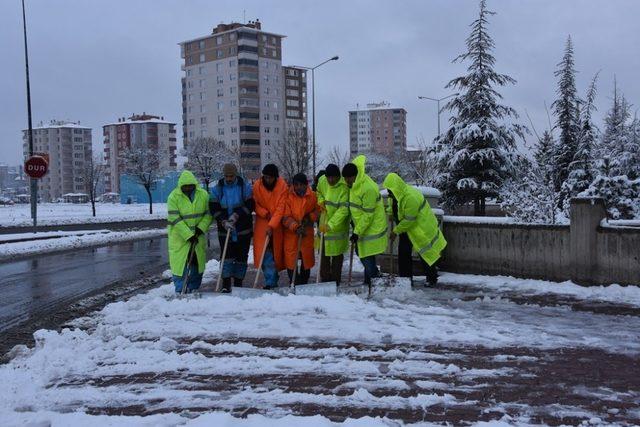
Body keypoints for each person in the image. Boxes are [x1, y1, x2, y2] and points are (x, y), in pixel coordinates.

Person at [383, 173, 447, 286]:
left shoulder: (410, 197)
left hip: (420, 228)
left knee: (425, 253)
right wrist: (390, 213)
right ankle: (405, 280)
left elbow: (409, 220)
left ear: (396, 188)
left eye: (390, 191)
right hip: (405, 229)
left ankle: (432, 278)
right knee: (403, 252)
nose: (388, 194)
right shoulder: (394, 196)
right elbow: (391, 206)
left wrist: (395, 231)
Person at [341, 155, 388, 285]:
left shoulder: (368, 188)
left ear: (353, 176)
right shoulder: (355, 185)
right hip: (363, 227)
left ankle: (374, 280)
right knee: (363, 253)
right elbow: (356, 207)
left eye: (347, 179)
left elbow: (368, 215)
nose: (345, 182)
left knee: (366, 255)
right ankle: (369, 280)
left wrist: (357, 232)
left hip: (372, 228)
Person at [209, 163, 254, 293]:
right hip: (225, 230)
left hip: (242, 229)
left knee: (241, 257)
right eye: (226, 176)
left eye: (231, 176)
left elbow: (250, 205)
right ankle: (226, 283)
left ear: (236, 175)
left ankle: (238, 284)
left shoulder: (244, 187)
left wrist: (237, 215)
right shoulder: (217, 189)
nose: (229, 178)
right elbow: (213, 208)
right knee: (226, 257)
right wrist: (223, 221)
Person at [167, 170, 212, 294]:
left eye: (190, 186)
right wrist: (188, 235)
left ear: (194, 184)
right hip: (179, 238)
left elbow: (208, 214)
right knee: (180, 266)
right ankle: (180, 290)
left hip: (198, 237)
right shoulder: (173, 197)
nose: (187, 188)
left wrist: (200, 229)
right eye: (185, 186)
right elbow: (174, 218)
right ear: (181, 185)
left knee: (197, 265)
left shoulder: (203, 195)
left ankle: (194, 288)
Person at [252, 164, 288, 289]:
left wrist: (272, 225)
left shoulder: (282, 186)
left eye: (270, 178)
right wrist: (264, 213)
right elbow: (255, 203)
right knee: (265, 254)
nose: (267, 180)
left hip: (277, 225)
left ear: (275, 177)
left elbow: (281, 208)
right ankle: (270, 283)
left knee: (276, 254)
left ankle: (273, 278)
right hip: (262, 223)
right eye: (265, 177)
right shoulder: (257, 185)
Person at [282, 173, 319, 285]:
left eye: (301, 185)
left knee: (306, 259)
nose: (298, 187)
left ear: (306, 185)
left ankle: (304, 282)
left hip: (306, 233)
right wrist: (295, 227)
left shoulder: (313, 196)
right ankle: (294, 282)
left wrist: (309, 217)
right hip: (291, 234)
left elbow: (318, 211)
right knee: (290, 259)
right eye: (296, 184)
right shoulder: (288, 197)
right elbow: (285, 217)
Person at [316, 164, 350, 285]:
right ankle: (325, 282)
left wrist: (330, 225)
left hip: (337, 230)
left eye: (333, 178)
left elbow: (343, 210)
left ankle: (335, 282)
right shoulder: (322, 181)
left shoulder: (344, 187)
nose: (331, 180)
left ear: (338, 177)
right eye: (328, 178)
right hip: (323, 225)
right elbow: (318, 192)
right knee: (323, 257)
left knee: (337, 258)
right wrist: (320, 201)